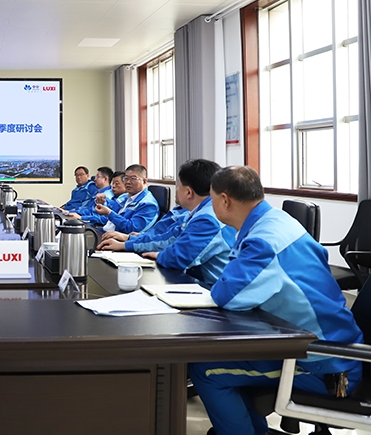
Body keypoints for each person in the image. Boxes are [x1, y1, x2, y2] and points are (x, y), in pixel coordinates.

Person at [189, 166, 363, 435]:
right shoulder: (277, 221)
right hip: (331, 348)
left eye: (211, 199)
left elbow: (227, 295)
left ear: (224, 200)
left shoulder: (264, 241)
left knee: (206, 370)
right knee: (227, 360)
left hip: (329, 368)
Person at [99, 159, 235, 287]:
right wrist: (128, 243)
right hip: (195, 279)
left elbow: (180, 257)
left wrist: (159, 255)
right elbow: (169, 238)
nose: (177, 190)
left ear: (188, 192)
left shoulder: (207, 219)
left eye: (179, 186)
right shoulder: (195, 213)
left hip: (210, 288)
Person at [93, 164, 158, 233]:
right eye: (126, 178)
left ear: (144, 181)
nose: (128, 182)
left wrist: (109, 213)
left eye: (133, 178)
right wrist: (103, 200)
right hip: (105, 230)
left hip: (116, 237)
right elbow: (113, 206)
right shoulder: (125, 196)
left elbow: (131, 228)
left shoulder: (149, 204)